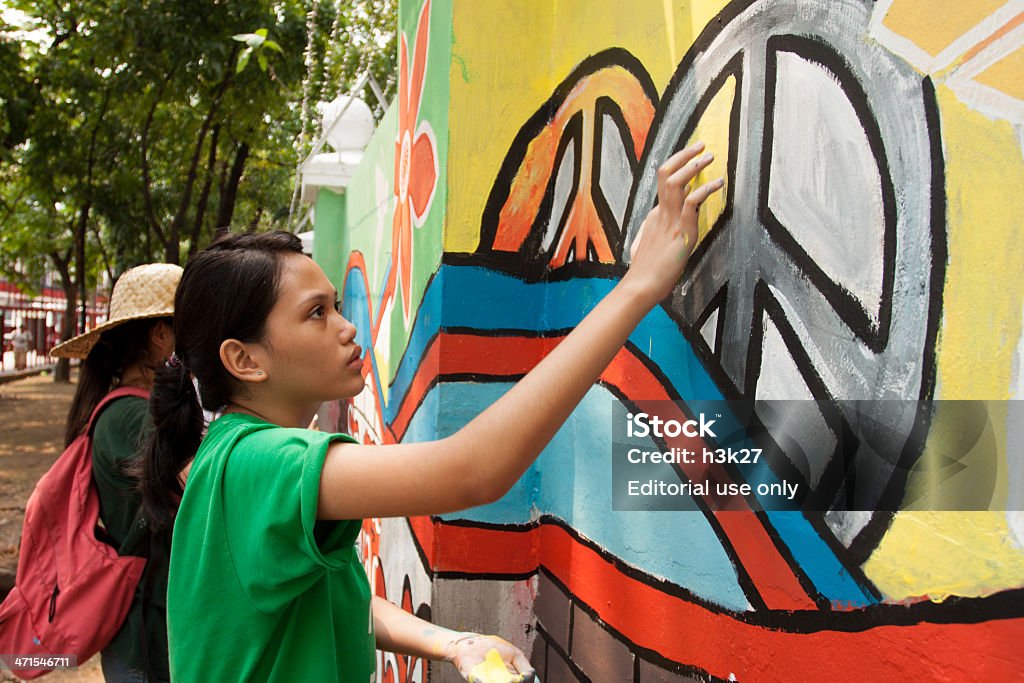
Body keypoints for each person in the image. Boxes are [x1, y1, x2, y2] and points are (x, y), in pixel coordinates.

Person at [142, 143, 723, 682]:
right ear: (244, 360)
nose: (348, 328)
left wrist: (453, 643)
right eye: (316, 314)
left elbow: (336, 591)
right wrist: (636, 288)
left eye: (337, 306)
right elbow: (473, 470)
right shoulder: (260, 462)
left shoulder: (232, 454)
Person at [51, 263, 183, 683]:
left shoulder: (130, 410)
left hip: (145, 627)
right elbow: (198, 488)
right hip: (146, 636)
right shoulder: (132, 415)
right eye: (187, 326)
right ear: (160, 335)